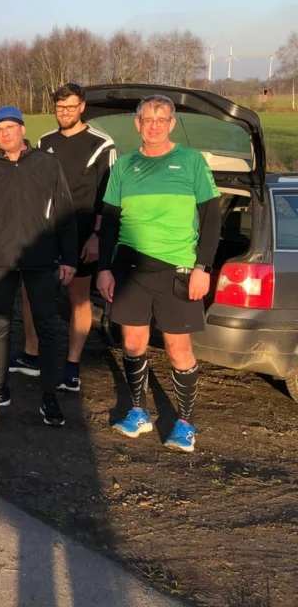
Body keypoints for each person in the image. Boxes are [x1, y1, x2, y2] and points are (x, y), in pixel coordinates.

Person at [98, 94, 219, 453]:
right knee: (133, 343)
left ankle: (184, 422)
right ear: (137, 124)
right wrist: (104, 268)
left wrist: (203, 267)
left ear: (171, 123)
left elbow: (212, 218)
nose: (153, 125)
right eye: (147, 118)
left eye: (161, 119)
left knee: (177, 347)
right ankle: (139, 412)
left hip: (178, 268)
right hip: (130, 268)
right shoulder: (123, 166)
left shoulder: (191, 161)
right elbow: (109, 222)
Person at [0, 106, 77, 427]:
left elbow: (65, 214)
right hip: (0, 259)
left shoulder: (47, 164)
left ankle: (49, 394)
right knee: (0, 322)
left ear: (22, 129)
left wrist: (69, 258)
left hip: (40, 258)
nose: (5, 134)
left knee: (46, 326)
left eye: (10, 128)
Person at [11, 83, 116, 392]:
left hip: (83, 233)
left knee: (77, 297)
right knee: (30, 293)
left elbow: (108, 196)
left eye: (70, 107)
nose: (65, 113)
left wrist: (97, 235)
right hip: (47, 233)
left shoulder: (102, 144)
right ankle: (32, 354)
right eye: (59, 108)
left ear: (82, 106)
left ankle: (71, 365)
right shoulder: (45, 141)